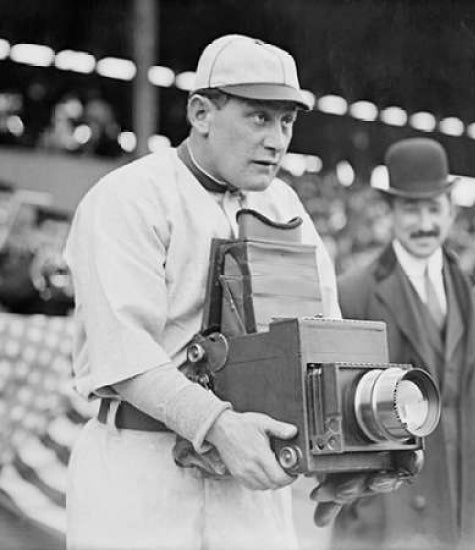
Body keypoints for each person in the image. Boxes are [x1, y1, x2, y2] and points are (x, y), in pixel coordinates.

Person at [63, 34, 415, 550]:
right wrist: (218, 425)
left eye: (287, 121)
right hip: (142, 471)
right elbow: (123, 352)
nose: (277, 139)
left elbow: (326, 342)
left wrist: (352, 452)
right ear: (201, 112)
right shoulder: (129, 196)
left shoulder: (284, 205)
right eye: (259, 117)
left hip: (250, 488)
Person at [334, 137, 475, 550]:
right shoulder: (352, 294)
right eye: (411, 208)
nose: (424, 222)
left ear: (451, 211)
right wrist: (364, 501)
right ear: (390, 212)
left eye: (434, 208)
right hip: (390, 523)